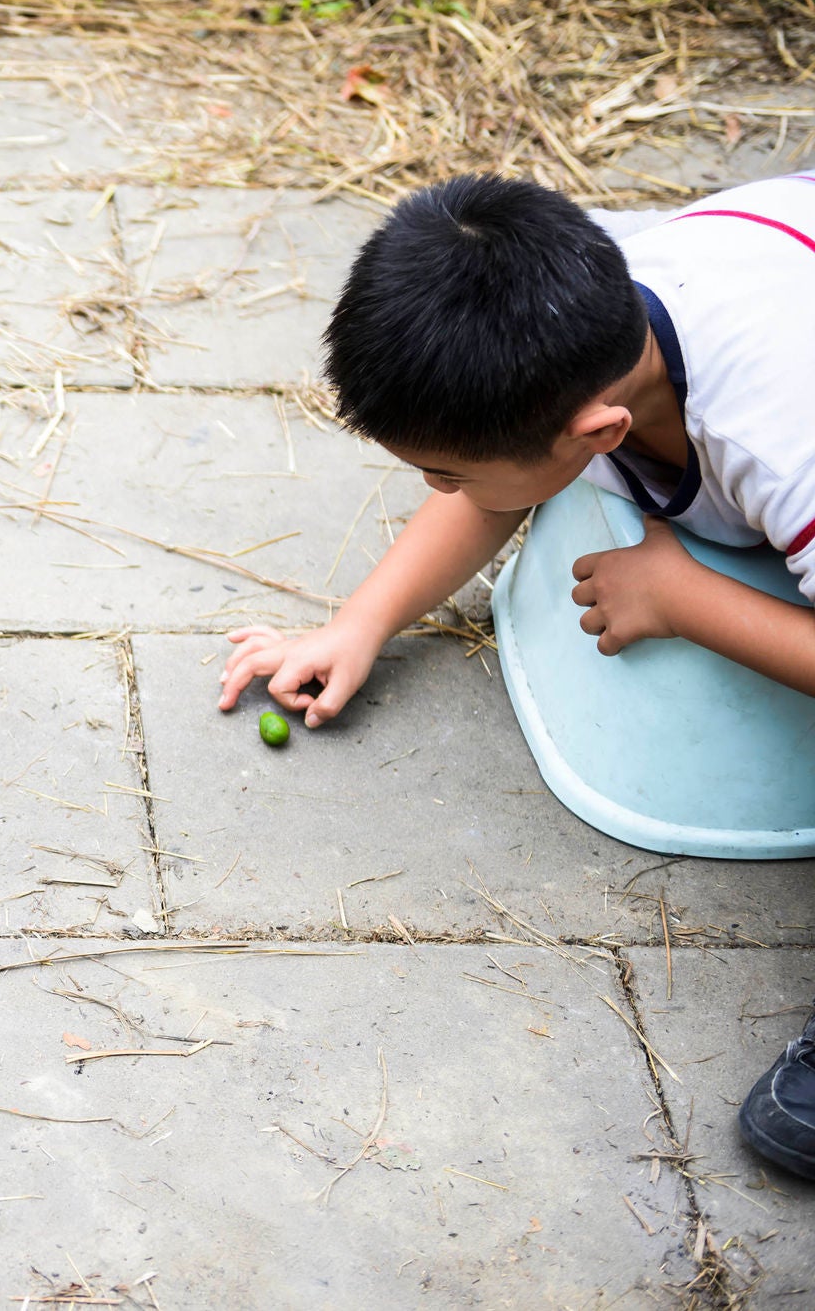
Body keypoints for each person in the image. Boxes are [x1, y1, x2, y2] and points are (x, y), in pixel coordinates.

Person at [214, 171, 815, 1180]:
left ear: (595, 436)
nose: (433, 491)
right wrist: (362, 621)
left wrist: (687, 601)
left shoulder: (775, 434)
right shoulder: (578, 307)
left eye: (442, 475)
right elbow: (497, 487)